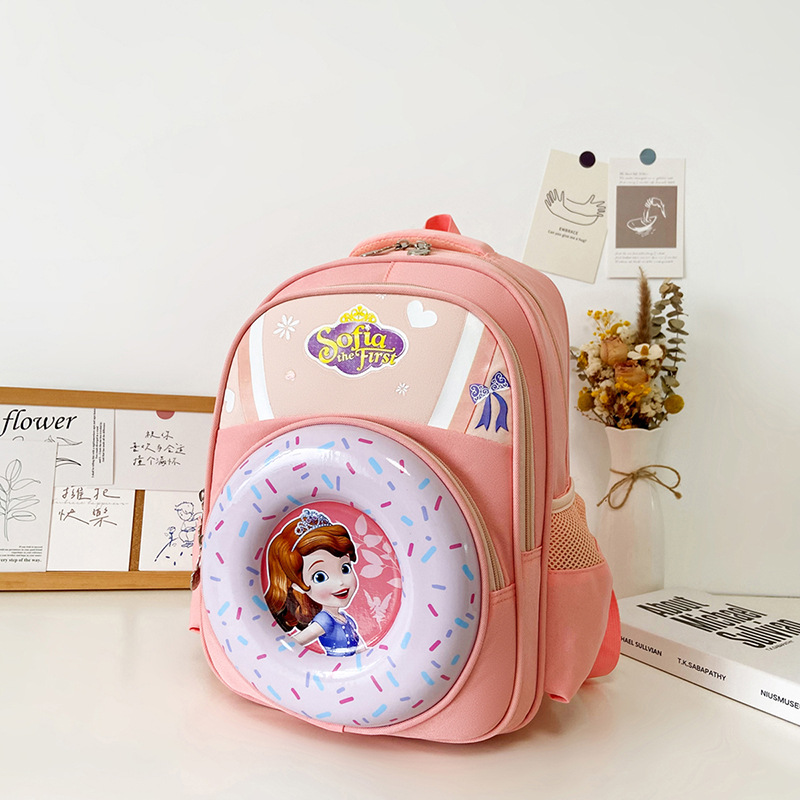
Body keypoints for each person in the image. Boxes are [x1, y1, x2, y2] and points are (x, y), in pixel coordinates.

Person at [265, 508, 363, 657]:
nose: (340, 582)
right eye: (320, 577)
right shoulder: (325, 620)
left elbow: (360, 646)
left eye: (345, 568)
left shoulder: (344, 618)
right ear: (298, 585)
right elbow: (292, 643)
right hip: (334, 667)